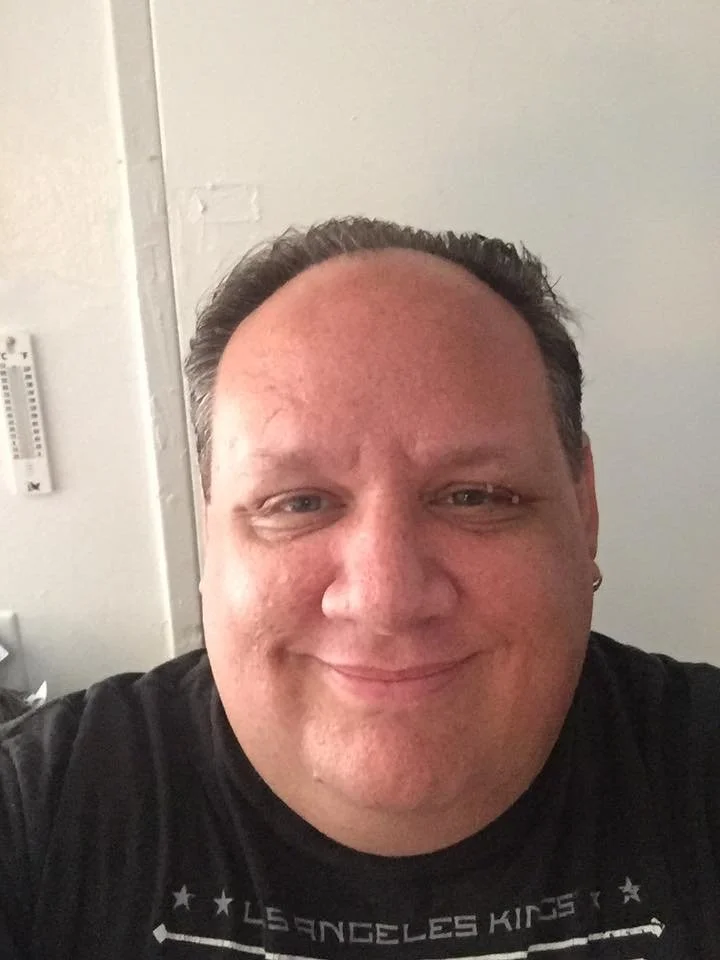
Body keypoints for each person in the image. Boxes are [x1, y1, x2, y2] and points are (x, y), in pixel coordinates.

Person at [1, 217, 718, 959]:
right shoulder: (40, 817)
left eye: (475, 496)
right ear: (210, 539)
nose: (385, 598)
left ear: (585, 513)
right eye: (299, 503)